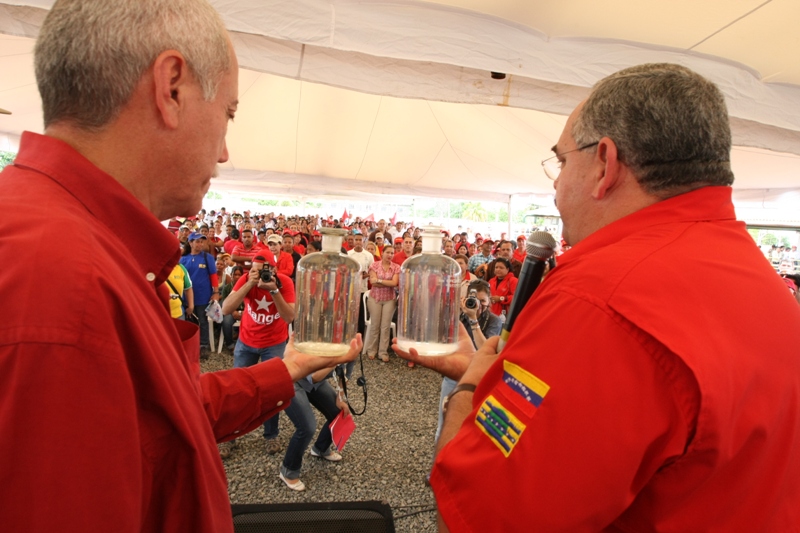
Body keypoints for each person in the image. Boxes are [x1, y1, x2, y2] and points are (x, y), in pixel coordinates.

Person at [0, 1, 361, 530]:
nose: (224, 152)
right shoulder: (62, 282)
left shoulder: (75, 243)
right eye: (228, 114)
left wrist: (285, 371)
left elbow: (163, 411)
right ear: (170, 88)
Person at [396, 63, 800, 531]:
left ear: (605, 164)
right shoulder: (769, 290)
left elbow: (479, 519)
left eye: (562, 162)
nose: (556, 183)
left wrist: (468, 390)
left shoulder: (599, 299)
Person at [221, 255, 296, 457]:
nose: (260, 273)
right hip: (246, 342)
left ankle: (271, 435)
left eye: (264, 270)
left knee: (272, 391)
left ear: (274, 269)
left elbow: (289, 317)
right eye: (255, 269)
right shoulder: (246, 279)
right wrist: (249, 283)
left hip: (274, 343)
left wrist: (273, 290)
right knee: (237, 390)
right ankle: (229, 436)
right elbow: (226, 308)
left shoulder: (284, 282)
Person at [279, 368, 350, 491]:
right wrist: (335, 360)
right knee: (307, 427)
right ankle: (288, 471)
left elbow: (344, 376)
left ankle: (320, 449)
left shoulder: (352, 354)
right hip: (292, 379)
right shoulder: (330, 354)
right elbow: (313, 378)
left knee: (338, 413)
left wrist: (340, 398)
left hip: (314, 381)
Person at [181, 232, 220, 358]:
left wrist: (216, 292)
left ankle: (203, 345)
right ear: (190, 243)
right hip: (186, 297)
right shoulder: (183, 259)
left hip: (203, 295)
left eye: (202, 241)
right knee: (189, 322)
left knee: (203, 321)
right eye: (197, 241)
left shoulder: (207, 257)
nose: (200, 244)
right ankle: (189, 345)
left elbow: (213, 275)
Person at [365, 245, 401, 362]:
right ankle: (372, 350)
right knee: (375, 325)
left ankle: (383, 352)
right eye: (388, 252)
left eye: (392, 253)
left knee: (385, 326)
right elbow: (373, 283)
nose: (390, 255)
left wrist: (379, 280)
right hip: (375, 298)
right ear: (382, 253)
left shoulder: (396, 267)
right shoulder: (374, 265)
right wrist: (386, 282)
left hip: (389, 299)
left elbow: (394, 283)